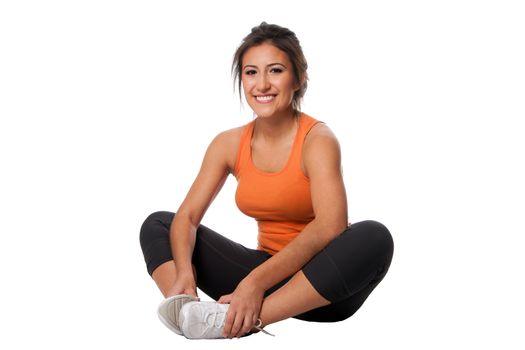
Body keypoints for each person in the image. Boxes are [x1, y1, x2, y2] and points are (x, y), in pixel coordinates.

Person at [139, 22, 394, 340]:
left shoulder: (318, 140)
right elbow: (187, 217)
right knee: (159, 224)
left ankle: (234, 322)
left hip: (324, 287)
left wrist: (253, 284)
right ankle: (189, 309)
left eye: (275, 71)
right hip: (263, 275)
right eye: (250, 72)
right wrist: (184, 274)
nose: (261, 85)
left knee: (374, 236)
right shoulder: (228, 143)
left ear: (297, 78)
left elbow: (331, 225)